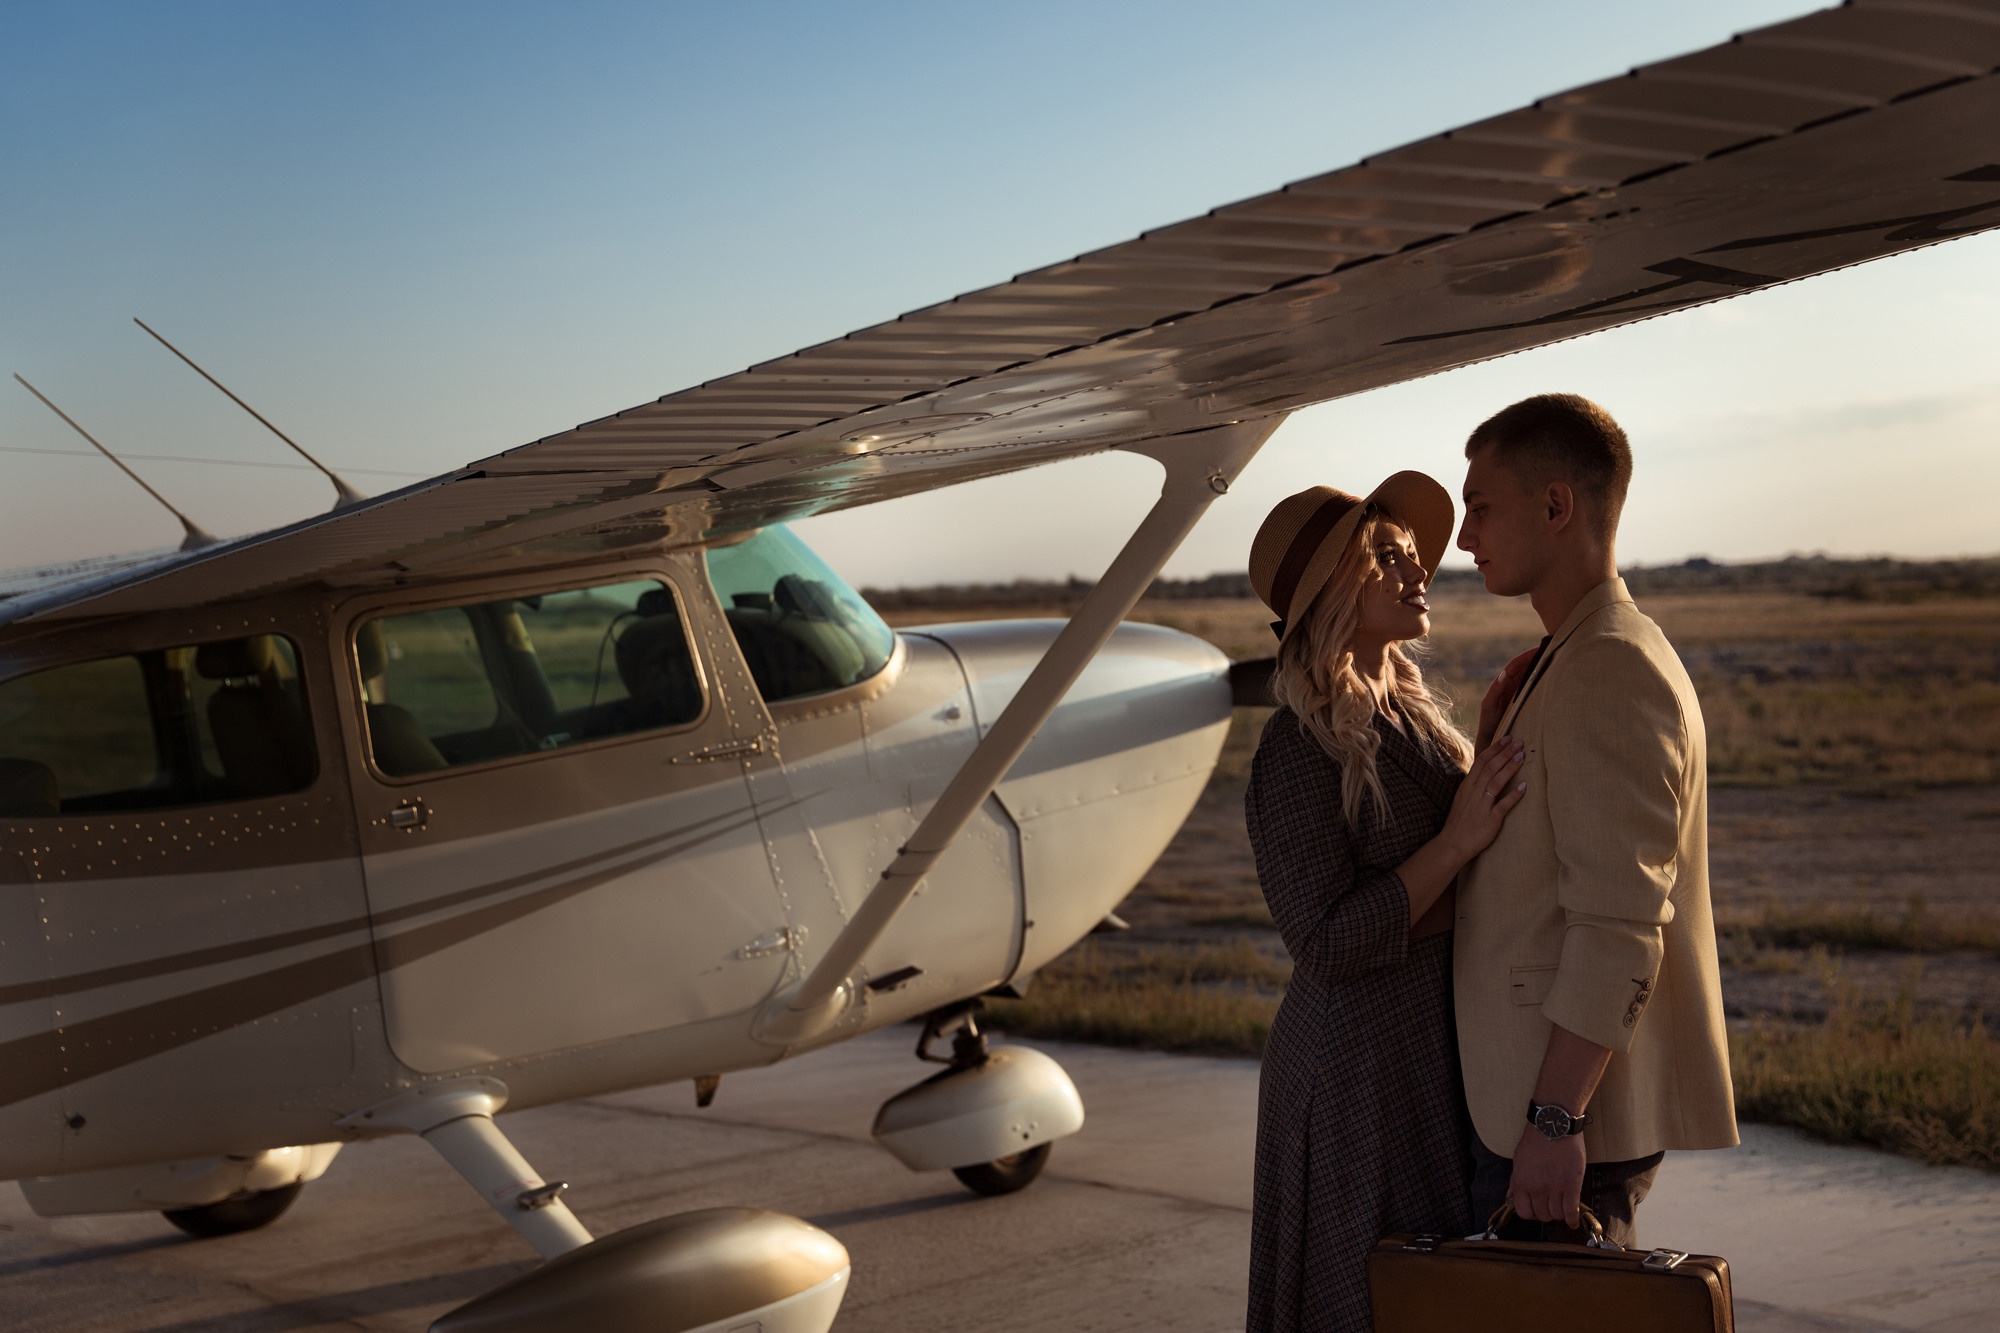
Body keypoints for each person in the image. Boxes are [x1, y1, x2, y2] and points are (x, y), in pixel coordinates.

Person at [1243, 473, 1531, 1332]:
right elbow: (1323, 941)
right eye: (1389, 559)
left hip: (1417, 1055)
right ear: (1335, 591)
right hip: (1352, 1076)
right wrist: (1456, 843)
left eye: (1415, 556)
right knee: (1366, 1303)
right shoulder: (1296, 747)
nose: (1419, 573)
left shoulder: (1408, 713)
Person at [1453, 393, 1736, 1248]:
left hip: (1562, 1125)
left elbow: (1620, 917)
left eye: (1480, 506)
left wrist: (1554, 1119)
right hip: (1541, 1110)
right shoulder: (1576, 655)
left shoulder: (1608, 664)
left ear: (1554, 505)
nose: (1465, 538)